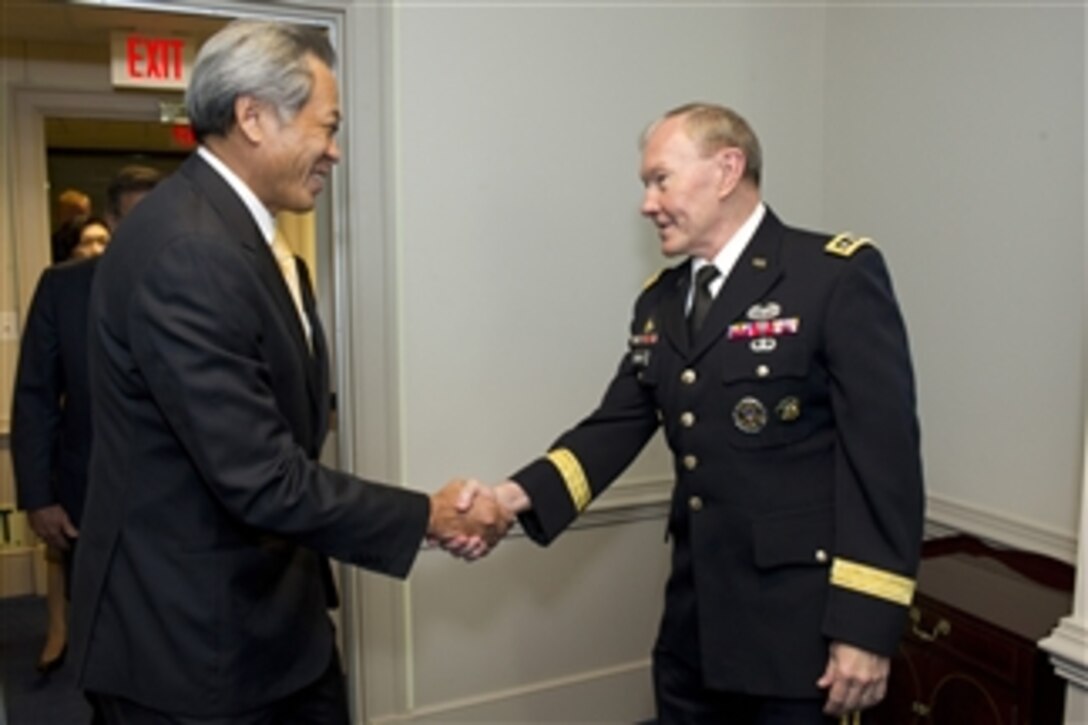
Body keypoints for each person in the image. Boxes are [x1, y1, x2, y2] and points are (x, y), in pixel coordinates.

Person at [69, 20, 509, 724]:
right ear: (252, 116)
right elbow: (262, 476)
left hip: (263, 625)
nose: (335, 151)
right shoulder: (190, 250)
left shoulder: (244, 239)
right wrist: (428, 513)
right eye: (326, 126)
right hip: (193, 649)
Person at [464, 103, 925, 724]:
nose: (647, 203)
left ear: (727, 169)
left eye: (660, 179)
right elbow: (615, 426)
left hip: (800, 641)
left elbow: (884, 465)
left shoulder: (831, 277)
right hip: (693, 630)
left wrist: (866, 630)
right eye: (646, 185)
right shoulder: (662, 302)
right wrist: (508, 497)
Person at [10, 167, 162, 676]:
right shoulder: (63, 289)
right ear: (113, 222)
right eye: (136, 219)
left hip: (181, 503)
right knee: (105, 642)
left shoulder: (200, 282)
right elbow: (34, 395)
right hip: (90, 498)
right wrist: (39, 495)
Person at [50, 188, 92, 263]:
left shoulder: (92, 236)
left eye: (86, 213)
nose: (83, 219)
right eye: (78, 213)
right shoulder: (54, 243)